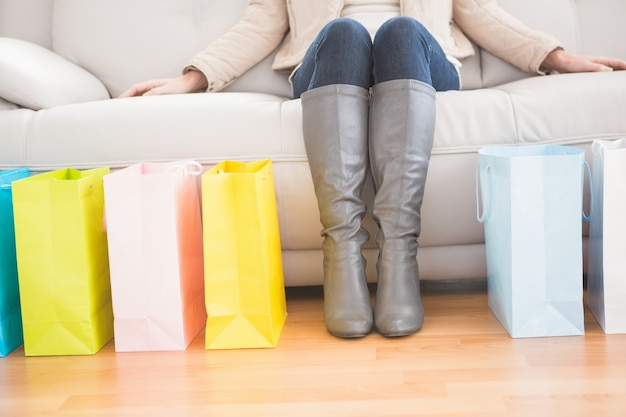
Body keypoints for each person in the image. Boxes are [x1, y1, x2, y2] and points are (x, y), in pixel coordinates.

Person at [120, 0, 626, 339]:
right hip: (331, 62)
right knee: (344, 32)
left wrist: (558, 56)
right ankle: (340, 249)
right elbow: (260, 25)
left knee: (400, 30)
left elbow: (480, 11)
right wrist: (192, 78)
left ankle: (399, 251)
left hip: (419, 58)